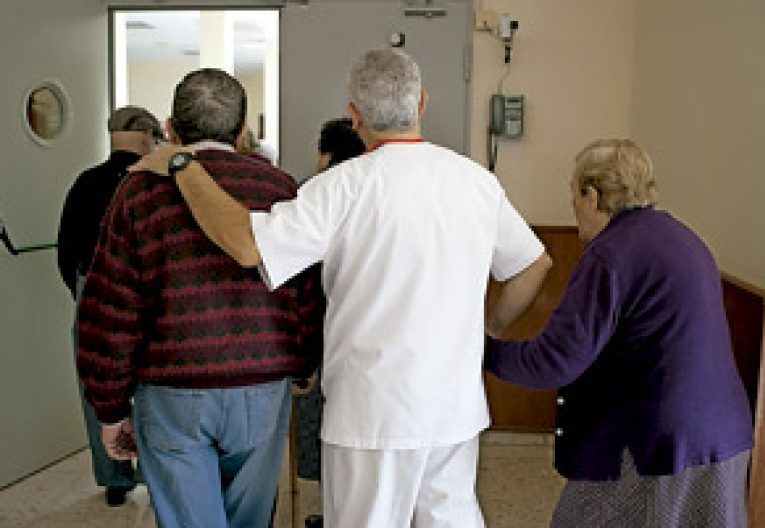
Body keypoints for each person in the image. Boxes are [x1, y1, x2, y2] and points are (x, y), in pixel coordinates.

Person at [130, 48, 552, 528]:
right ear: (422, 103)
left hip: (370, 412)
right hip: (452, 410)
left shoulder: (341, 187)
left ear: (354, 115)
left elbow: (248, 246)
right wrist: (485, 331)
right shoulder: (475, 182)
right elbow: (534, 266)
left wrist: (183, 165)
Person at [76, 68, 325, 528]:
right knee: (250, 519)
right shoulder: (279, 189)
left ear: (170, 128)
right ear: (243, 130)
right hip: (261, 384)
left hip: (174, 392)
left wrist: (109, 408)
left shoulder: (138, 191)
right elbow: (307, 291)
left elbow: (110, 309)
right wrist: (304, 363)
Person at [485, 139, 754, 527]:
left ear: (591, 195)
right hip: (723, 434)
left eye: (574, 195)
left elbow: (554, 361)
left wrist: (481, 350)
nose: (573, 208)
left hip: (658, 443)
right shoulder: (685, 238)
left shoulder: (610, 255)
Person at [56, 104, 162, 506]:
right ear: (147, 138)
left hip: (92, 289)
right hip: (150, 292)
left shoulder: (84, 184)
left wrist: (84, 293)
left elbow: (65, 252)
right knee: (152, 385)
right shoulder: (153, 183)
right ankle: (156, 474)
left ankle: (115, 478)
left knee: (97, 386)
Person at [290, 117, 365, 528]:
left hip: (318, 326)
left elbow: (298, 279)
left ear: (325, 154)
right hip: (365, 330)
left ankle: (331, 511)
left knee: (320, 425)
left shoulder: (313, 194)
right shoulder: (379, 191)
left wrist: (300, 357)